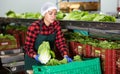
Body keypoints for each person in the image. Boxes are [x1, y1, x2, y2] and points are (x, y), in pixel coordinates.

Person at [23, 2, 72, 74]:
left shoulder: (56, 25)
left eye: (55, 14)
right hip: (32, 60)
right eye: (50, 13)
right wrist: (36, 56)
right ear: (44, 14)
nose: (53, 16)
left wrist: (65, 55)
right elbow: (27, 47)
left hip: (47, 60)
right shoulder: (34, 27)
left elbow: (60, 42)